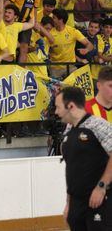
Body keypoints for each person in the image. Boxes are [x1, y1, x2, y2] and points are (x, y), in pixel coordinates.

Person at [55, 87, 112, 231]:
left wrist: (101, 187)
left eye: (58, 107)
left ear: (71, 106)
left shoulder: (98, 125)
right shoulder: (68, 131)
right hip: (76, 204)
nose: (56, 112)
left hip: (99, 201)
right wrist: (69, 203)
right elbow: (72, 169)